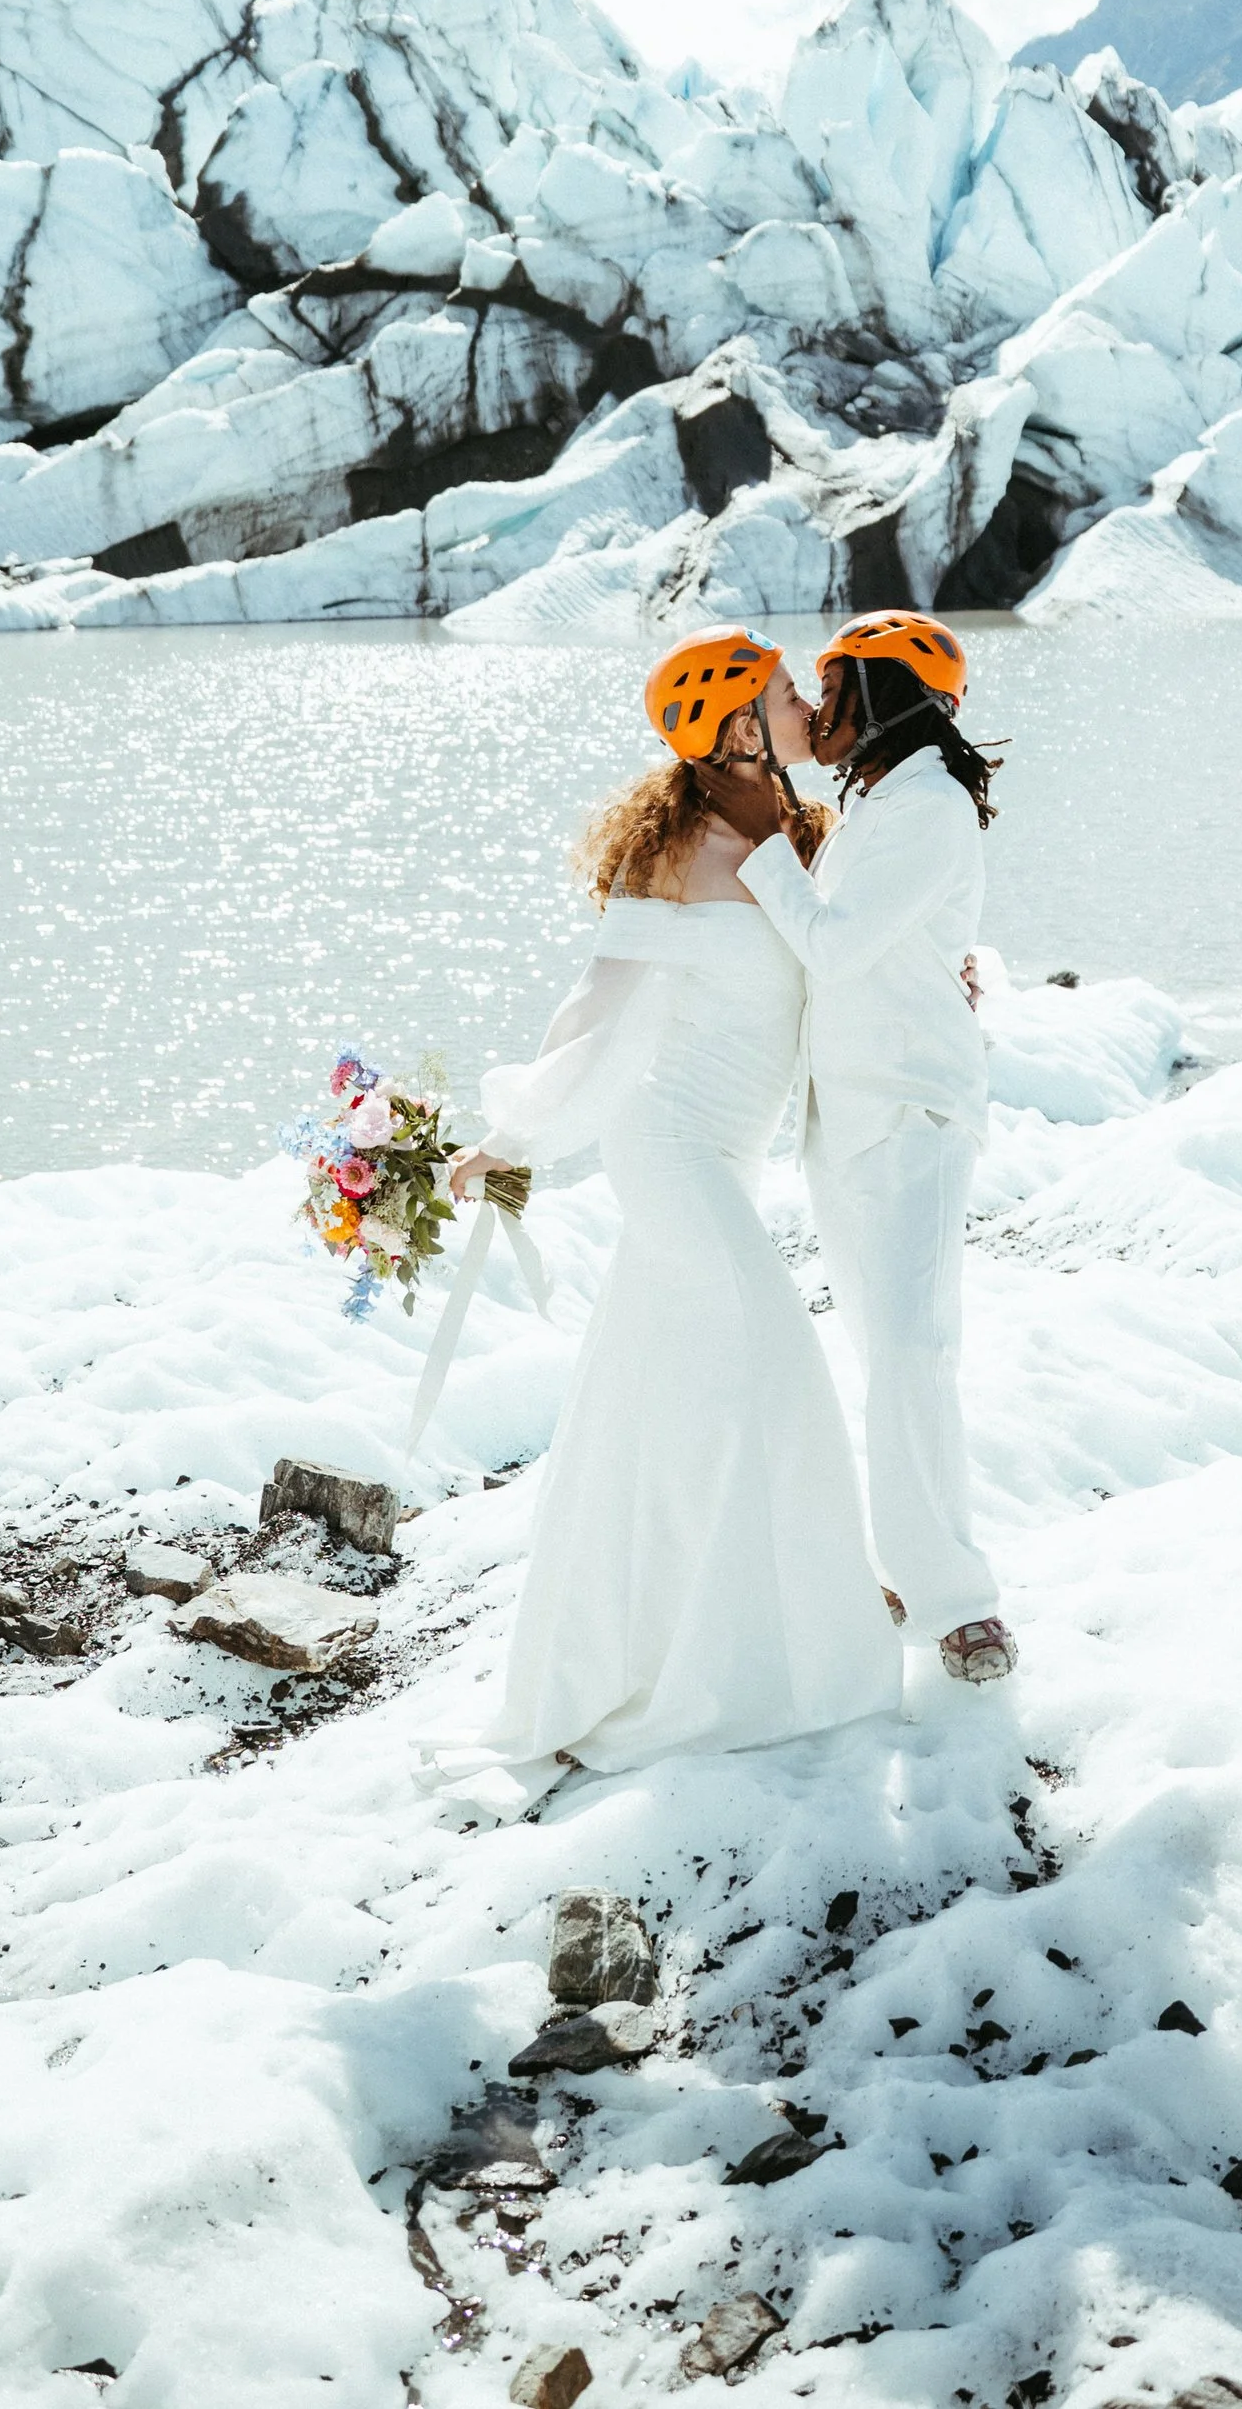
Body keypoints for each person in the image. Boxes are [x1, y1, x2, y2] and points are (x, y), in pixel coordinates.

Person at [448, 631, 903, 1773]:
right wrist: (515, 1134)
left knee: (662, 1406)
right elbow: (597, 1010)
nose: (806, 703)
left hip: (734, 1157)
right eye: (784, 694)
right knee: (773, 1367)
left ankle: (678, 1640)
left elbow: (854, 958)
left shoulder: (802, 835)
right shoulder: (679, 854)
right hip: (669, 1151)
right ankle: (775, 1649)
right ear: (737, 729)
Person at [735, 608, 1017, 1687]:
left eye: (836, 683)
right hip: (846, 1117)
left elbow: (835, 948)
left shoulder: (926, 808)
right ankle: (910, 1566)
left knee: (910, 1355)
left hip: (905, 1118)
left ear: (887, 695)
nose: (820, 704)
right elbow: (889, 946)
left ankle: (959, 1603)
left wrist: (758, 838)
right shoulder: (881, 805)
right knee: (883, 1356)